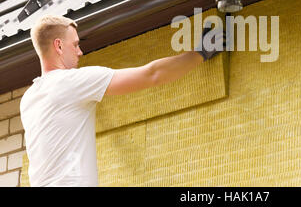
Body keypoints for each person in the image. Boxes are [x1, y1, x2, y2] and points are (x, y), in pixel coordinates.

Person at [20, 14, 225, 187]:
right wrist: (200, 53)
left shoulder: (29, 99)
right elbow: (152, 75)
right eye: (75, 45)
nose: (80, 52)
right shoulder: (71, 82)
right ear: (58, 46)